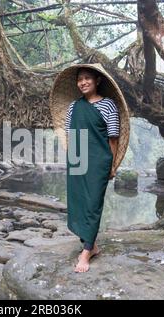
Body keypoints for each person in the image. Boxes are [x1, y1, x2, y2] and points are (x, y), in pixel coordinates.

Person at [65, 67, 120, 273]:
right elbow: (71, 134)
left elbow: (113, 137)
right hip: (77, 159)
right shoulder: (74, 106)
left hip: (99, 161)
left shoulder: (108, 105)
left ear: (97, 80)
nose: (83, 82)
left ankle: (86, 253)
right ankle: (92, 244)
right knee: (78, 201)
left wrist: (113, 164)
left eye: (87, 78)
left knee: (93, 204)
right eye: (80, 79)